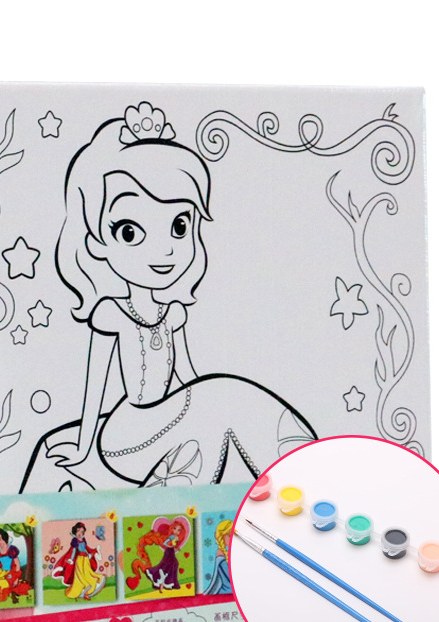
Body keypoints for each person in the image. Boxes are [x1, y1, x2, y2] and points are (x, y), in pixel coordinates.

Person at [22, 101, 316, 491]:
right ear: (97, 242)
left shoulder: (173, 312)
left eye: (179, 226)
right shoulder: (111, 313)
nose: (164, 251)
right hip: (127, 435)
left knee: (225, 396)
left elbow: (191, 379)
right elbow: (96, 386)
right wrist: (83, 446)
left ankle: (311, 481)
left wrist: (208, 402)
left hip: (170, 418)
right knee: (222, 399)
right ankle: (306, 482)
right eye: (130, 232)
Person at [127, 515, 190, 592]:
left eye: (179, 530)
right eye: (175, 528)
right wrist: (169, 546)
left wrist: (175, 548)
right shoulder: (171, 536)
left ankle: (166, 582)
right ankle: (161, 579)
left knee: (172, 564)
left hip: (171, 551)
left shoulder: (176, 538)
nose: (176, 531)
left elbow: (174, 545)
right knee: (169, 564)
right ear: (171, 528)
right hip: (169, 551)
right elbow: (165, 543)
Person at [52, 522, 105, 600]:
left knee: (87, 573)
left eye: (82, 532)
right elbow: (73, 551)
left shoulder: (83, 539)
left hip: (85, 559)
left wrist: (89, 554)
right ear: (75, 531)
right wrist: (71, 559)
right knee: (80, 575)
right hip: (79, 559)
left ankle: (87, 590)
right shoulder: (75, 540)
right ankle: (83, 590)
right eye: (78, 531)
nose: (80, 533)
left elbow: (85, 548)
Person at [204, 519, 233, 595]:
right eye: (230, 536)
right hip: (227, 591)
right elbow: (230, 577)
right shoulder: (221, 555)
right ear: (222, 537)